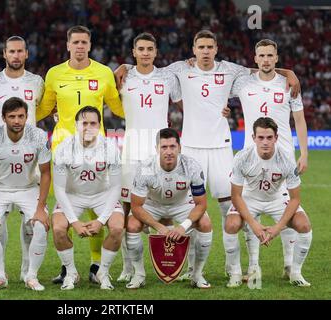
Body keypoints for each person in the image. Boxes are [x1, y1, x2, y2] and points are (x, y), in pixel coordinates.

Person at [115, 30, 300, 281]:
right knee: (191, 210)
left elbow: (262, 69)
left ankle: (236, 268)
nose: (205, 51)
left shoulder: (230, 70)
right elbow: (146, 66)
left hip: (221, 148)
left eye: (209, 47)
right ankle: (190, 268)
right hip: (190, 148)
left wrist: (288, 72)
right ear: (193, 50)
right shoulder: (179, 69)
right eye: (200, 47)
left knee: (231, 209)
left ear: (216, 49)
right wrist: (125, 66)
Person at [37, 25, 125, 284]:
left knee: (96, 211)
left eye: (84, 42)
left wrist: (132, 71)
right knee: (69, 203)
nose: (79, 46)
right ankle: (68, 268)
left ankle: (97, 265)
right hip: (63, 148)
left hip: (98, 148)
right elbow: (42, 109)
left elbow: (119, 107)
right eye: (75, 42)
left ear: (90, 44)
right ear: (67, 45)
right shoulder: (54, 74)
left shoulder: (104, 72)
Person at [229, 39, 309, 282]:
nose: (265, 59)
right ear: (255, 59)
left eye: (270, 55)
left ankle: (288, 265)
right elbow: (215, 78)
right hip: (251, 157)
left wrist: (304, 152)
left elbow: (300, 119)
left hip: (282, 157)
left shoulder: (288, 84)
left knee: (285, 209)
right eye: (261, 55)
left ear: (277, 57)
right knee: (252, 210)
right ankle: (253, 266)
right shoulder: (242, 82)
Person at [117, 32, 182, 282]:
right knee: (125, 209)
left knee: (165, 207)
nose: (145, 53)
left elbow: (183, 104)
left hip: (160, 151)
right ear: (134, 52)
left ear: (156, 52)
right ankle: (127, 267)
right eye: (141, 49)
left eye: (150, 49)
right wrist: (122, 67)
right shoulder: (123, 76)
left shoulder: (167, 77)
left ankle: (169, 263)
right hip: (132, 149)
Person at [0, 36, 45, 283]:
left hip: (30, 160)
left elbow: (45, 108)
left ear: (27, 54)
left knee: (31, 222)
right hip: (0, 160)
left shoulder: (37, 82)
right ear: (4, 54)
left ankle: (27, 271)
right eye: (12, 51)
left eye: (20, 51)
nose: (16, 55)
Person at [225, 117, 312, 287]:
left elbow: (295, 199)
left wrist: (276, 229)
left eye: (269, 138)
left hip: (277, 198)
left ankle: (295, 273)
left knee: (304, 225)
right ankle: (235, 274)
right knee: (231, 224)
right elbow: (236, 196)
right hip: (249, 197)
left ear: (276, 138)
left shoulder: (286, 159)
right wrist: (255, 225)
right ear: (253, 138)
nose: (265, 142)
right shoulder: (242, 157)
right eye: (261, 137)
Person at [0, 97, 51, 291]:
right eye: (12, 117)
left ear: (27, 117)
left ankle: (31, 276)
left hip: (28, 188)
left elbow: (45, 173)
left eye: (21, 116)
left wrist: (41, 208)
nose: (17, 121)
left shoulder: (39, 136)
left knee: (41, 225)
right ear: (3, 118)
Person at [126, 128, 212, 289]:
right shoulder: (145, 168)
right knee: (132, 225)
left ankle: (197, 274)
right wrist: (159, 227)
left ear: (179, 148)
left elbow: (201, 204)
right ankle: (139, 274)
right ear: (157, 149)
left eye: (172, 147)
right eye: (164, 147)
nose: (169, 151)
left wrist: (182, 227)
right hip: (152, 205)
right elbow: (136, 206)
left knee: (205, 223)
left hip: (182, 204)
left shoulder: (191, 166)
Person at [52, 106, 124, 290]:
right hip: (72, 195)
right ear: (76, 125)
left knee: (117, 227)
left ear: (99, 125)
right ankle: (71, 272)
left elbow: (116, 187)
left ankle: (103, 272)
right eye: (84, 123)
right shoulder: (63, 149)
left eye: (93, 123)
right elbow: (59, 189)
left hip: (103, 194)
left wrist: (100, 221)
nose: (88, 127)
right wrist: (74, 222)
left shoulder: (110, 148)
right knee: (59, 228)